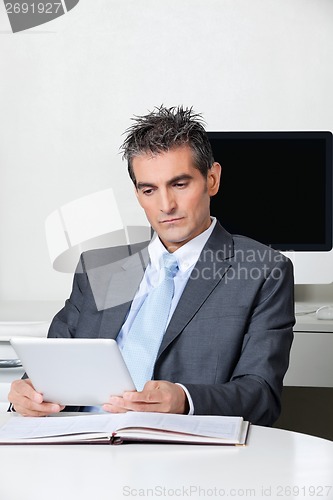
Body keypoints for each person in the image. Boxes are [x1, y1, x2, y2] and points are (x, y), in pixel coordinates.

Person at [8, 105, 295, 424]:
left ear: (212, 179)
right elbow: (46, 370)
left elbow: (262, 396)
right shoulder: (98, 269)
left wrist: (185, 400)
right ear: (137, 194)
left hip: (179, 451)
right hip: (80, 443)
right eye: (149, 190)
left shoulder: (265, 270)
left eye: (180, 184)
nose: (166, 205)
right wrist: (26, 392)